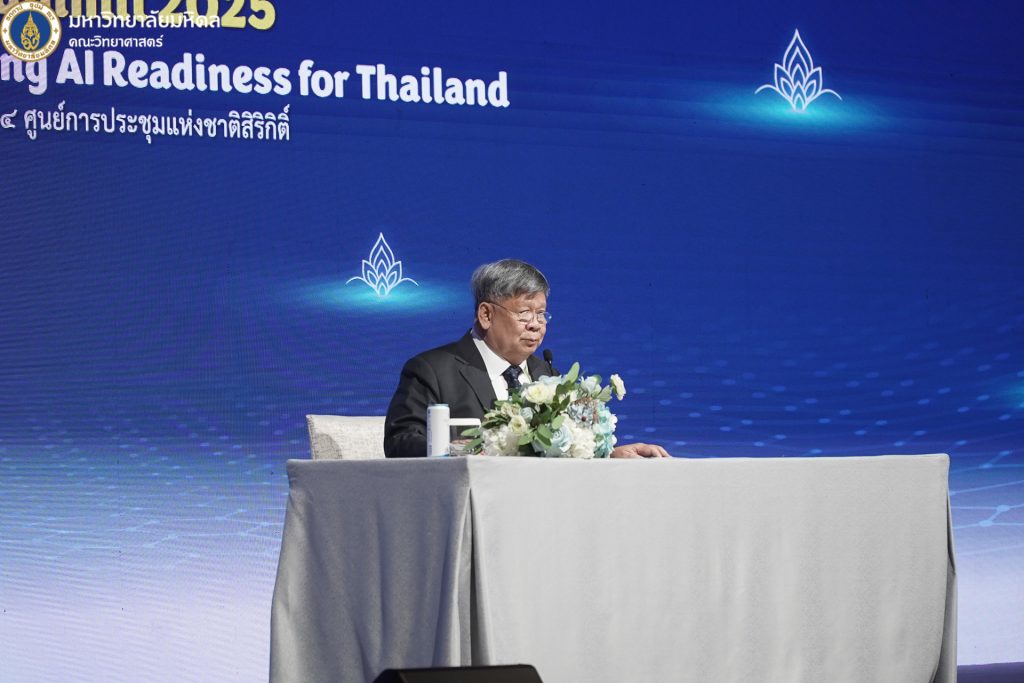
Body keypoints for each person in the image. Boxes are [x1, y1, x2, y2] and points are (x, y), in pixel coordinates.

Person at [384, 259, 670, 459]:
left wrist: (609, 455)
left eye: (541, 314)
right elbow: (400, 443)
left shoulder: (546, 375)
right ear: (486, 315)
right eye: (524, 313)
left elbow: (560, 451)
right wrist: (461, 453)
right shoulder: (432, 370)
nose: (536, 325)